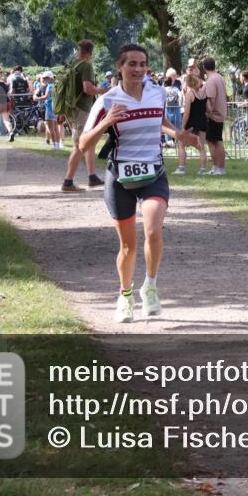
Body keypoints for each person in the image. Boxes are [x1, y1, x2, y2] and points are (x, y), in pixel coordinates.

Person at [78, 44, 199, 323]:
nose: (138, 69)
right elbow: (84, 144)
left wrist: (178, 134)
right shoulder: (107, 100)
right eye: (132, 64)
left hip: (153, 173)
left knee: (154, 231)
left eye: (143, 63)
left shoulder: (156, 93)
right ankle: (125, 294)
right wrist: (105, 122)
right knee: (128, 247)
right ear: (120, 66)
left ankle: (151, 286)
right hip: (120, 178)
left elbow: (159, 120)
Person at [62, 40, 107, 192]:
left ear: (78, 51)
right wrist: (102, 91)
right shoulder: (86, 65)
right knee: (80, 145)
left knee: (89, 142)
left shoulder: (72, 65)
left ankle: (92, 176)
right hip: (82, 108)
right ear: (91, 53)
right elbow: (87, 89)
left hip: (71, 108)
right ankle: (68, 182)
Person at [176, 69, 208, 175]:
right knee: (201, 147)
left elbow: (187, 112)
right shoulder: (204, 94)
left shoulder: (189, 94)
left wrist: (183, 126)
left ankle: (181, 168)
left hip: (191, 123)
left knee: (181, 144)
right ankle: (203, 169)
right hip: (203, 122)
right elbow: (208, 109)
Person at [200, 57, 228, 176]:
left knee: (216, 141)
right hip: (220, 113)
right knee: (213, 141)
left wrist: (208, 114)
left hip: (214, 115)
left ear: (204, 67)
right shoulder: (220, 78)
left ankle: (219, 168)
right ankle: (216, 167)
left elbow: (210, 99)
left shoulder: (211, 80)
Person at [35, 71, 62, 150]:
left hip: (49, 107)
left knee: (51, 128)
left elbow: (46, 97)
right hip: (56, 107)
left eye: (45, 78)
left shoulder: (49, 86)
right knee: (56, 128)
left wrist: (37, 98)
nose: (43, 79)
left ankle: (55, 145)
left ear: (48, 78)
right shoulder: (56, 85)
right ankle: (57, 145)